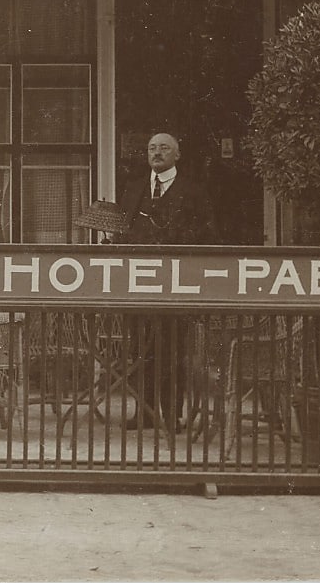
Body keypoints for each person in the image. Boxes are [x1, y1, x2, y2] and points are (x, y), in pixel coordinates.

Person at [118, 132, 216, 432]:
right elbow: (123, 231)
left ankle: (172, 415)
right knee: (140, 351)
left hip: (176, 284)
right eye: (151, 148)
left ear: (177, 155)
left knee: (173, 354)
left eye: (163, 148)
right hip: (139, 284)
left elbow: (208, 236)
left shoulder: (195, 192)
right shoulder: (134, 190)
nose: (156, 153)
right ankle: (144, 413)